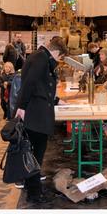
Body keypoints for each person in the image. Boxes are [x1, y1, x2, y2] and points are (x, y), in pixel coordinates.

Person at [15, 37, 68, 204]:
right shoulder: (41, 58)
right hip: (35, 114)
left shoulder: (41, 57)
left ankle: (33, 188)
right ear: (57, 52)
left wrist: (56, 100)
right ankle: (34, 194)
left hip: (37, 111)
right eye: (60, 58)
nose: (59, 61)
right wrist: (21, 107)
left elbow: (41, 86)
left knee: (35, 154)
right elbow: (29, 84)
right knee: (35, 155)